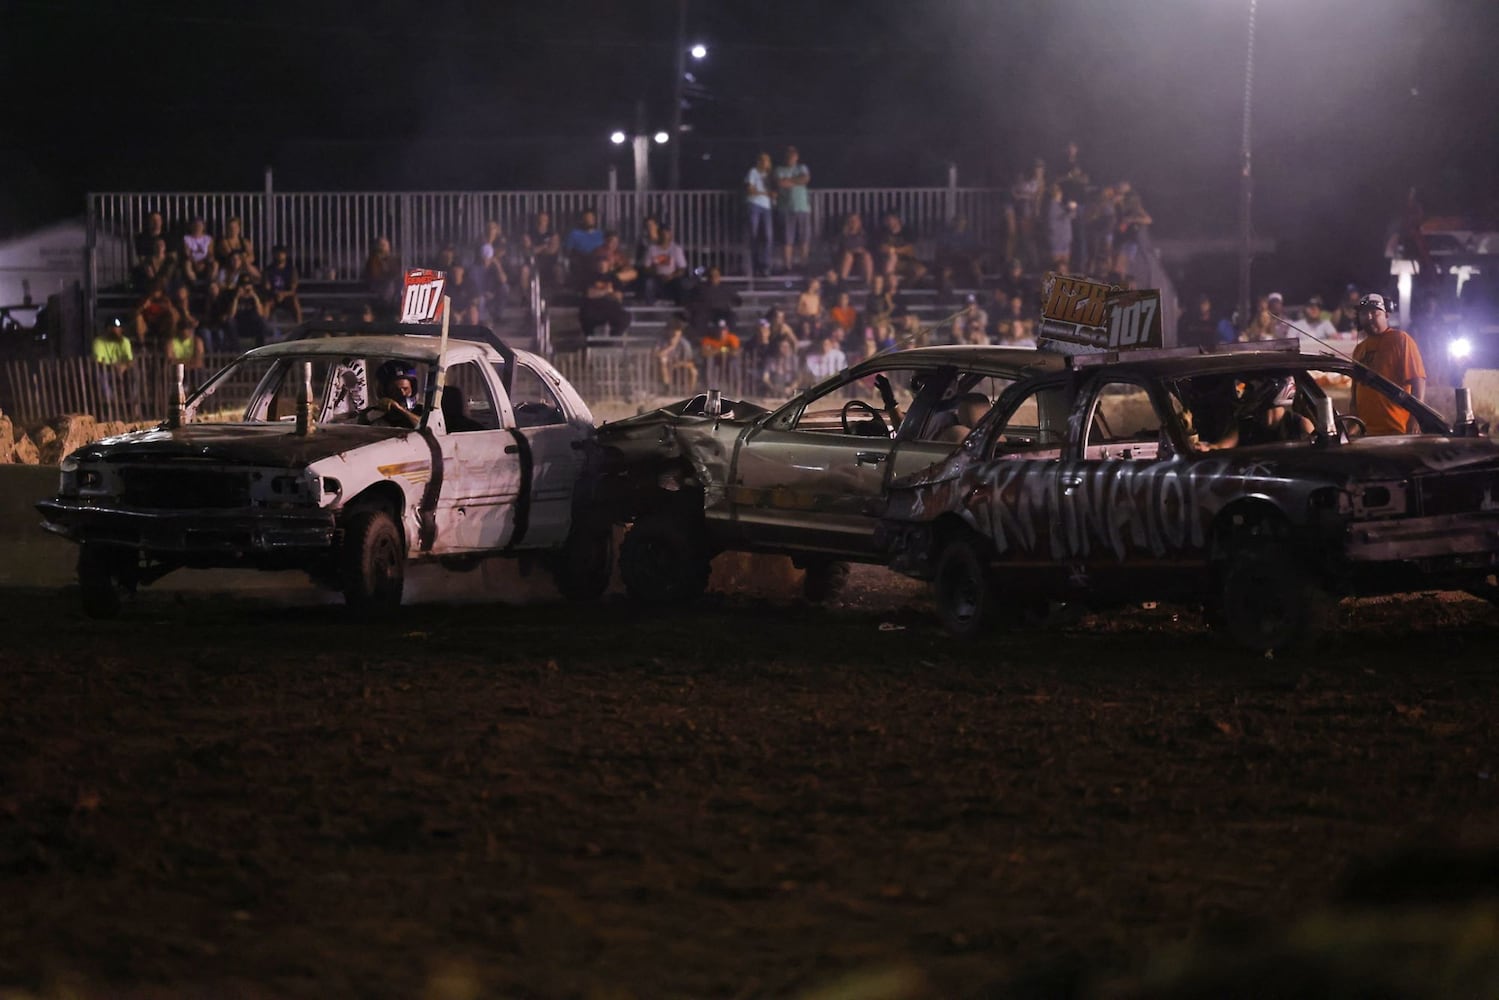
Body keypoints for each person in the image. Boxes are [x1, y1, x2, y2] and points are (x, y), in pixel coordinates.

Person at [1351, 292, 1426, 435]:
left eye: (1375, 313)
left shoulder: (1400, 340)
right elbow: (1354, 393)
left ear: (1386, 315)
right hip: (1366, 434)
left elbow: (1418, 381)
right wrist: (1353, 425)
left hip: (1396, 431)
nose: (1369, 317)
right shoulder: (1359, 349)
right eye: (1364, 314)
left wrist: (1416, 418)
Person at [1194, 376, 1314, 451]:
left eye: (1257, 387)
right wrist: (1207, 448)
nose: (1248, 393)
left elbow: (1315, 454)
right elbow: (1221, 447)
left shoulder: (1300, 424)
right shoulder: (1246, 424)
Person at [773, 146, 812, 273]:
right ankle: (787, 265)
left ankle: (804, 264)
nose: (791, 158)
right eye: (789, 156)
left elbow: (805, 179)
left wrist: (789, 181)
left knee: (804, 237)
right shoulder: (779, 169)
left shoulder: (802, 168)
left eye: (793, 155)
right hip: (785, 208)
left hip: (802, 207)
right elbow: (780, 183)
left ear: (797, 157)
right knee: (787, 238)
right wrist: (796, 181)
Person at [367, 360, 423, 428]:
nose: (402, 393)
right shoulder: (373, 415)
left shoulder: (423, 411)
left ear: (413, 388)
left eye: (405, 389)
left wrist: (400, 409)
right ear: (385, 392)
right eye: (396, 390)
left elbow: (425, 428)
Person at [744, 152, 775, 276]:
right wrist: (766, 194)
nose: (765, 163)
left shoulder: (769, 175)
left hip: (767, 207)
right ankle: (755, 264)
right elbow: (750, 190)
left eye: (767, 160)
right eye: (763, 160)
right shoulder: (753, 172)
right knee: (754, 235)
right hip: (755, 204)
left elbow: (774, 191)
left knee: (768, 236)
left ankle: (766, 265)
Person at [655, 319, 698, 392]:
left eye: (677, 330)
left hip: (680, 367)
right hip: (665, 367)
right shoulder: (661, 341)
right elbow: (656, 354)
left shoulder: (685, 344)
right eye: (672, 329)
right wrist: (671, 348)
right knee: (663, 361)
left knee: (693, 371)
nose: (675, 332)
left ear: (680, 332)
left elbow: (691, 362)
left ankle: (690, 392)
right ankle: (667, 387)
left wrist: (678, 364)